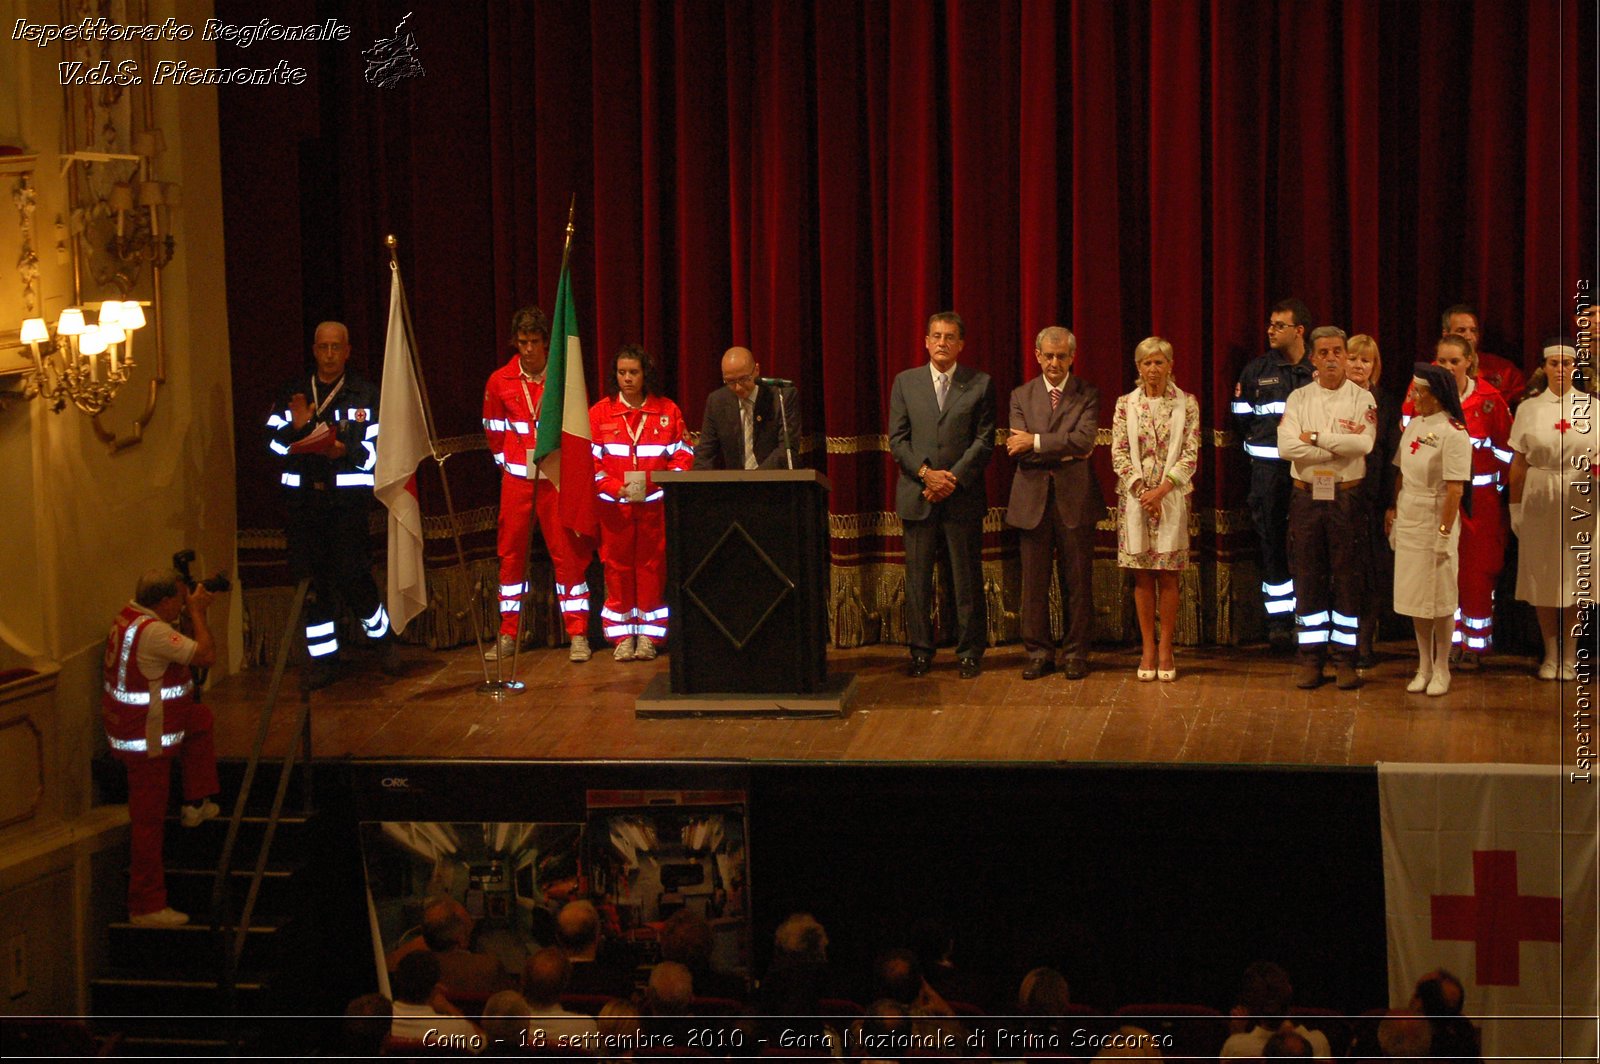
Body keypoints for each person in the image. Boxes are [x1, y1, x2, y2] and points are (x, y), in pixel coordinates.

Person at [266, 321, 399, 689]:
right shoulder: (294, 391)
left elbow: (376, 451)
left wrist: (344, 450)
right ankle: (325, 659)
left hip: (345, 504)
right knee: (314, 586)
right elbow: (273, 446)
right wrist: (296, 430)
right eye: (322, 348)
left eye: (335, 348)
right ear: (314, 350)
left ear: (347, 351)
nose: (328, 355)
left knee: (354, 576)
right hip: (304, 504)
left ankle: (383, 641)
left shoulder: (364, 395)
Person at [103, 568, 224, 926]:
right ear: (165, 600)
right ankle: (146, 905)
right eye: (181, 598)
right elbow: (204, 655)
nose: (183, 604)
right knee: (148, 823)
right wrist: (199, 615)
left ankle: (196, 802)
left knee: (200, 719)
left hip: (142, 725)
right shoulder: (153, 632)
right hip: (148, 739)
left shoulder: (129, 617)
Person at [482, 306, 596, 663]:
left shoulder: (562, 379)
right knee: (511, 556)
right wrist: (510, 467)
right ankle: (508, 631)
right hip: (517, 481)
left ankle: (578, 633)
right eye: (522, 342)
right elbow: (494, 432)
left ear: (547, 343)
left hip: (554, 479)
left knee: (566, 555)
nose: (528, 349)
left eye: (534, 342)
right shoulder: (499, 381)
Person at [889, 312, 997, 679]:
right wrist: (926, 475)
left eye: (950, 337)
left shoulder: (979, 384)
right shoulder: (905, 382)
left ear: (961, 344)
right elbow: (897, 440)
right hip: (917, 495)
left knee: (965, 578)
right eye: (936, 336)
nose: (942, 343)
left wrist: (951, 479)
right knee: (918, 581)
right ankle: (920, 651)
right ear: (925, 341)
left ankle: (969, 652)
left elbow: (985, 440)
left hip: (960, 496)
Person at [1277, 327, 1377, 690]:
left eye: (1339, 351)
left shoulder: (1362, 399)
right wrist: (1336, 448)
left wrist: (1316, 438)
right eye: (1325, 352)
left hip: (1346, 498)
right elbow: (1287, 448)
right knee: (1307, 576)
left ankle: (1346, 659)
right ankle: (1311, 658)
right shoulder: (1299, 398)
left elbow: (1364, 443)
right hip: (1306, 496)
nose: (1333, 358)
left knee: (1348, 577)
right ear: (1314, 359)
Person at [1404, 335, 1512, 667]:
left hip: (1480, 505)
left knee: (1476, 574)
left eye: (1455, 361)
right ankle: (1447, 644)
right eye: (1443, 362)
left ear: (1470, 362)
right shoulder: (1420, 397)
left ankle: (1475, 645)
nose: (1449, 368)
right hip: (1436, 500)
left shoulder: (1490, 400)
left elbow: (1508, 454)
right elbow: (1410, 444)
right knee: (1440, 570)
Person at [1005, 326, 1102, 680]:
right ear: (1037, 355)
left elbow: (1084, 440)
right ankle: (1038, 653)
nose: (1054, 362)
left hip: (1075, 499)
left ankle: (1076, 653)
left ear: (1072, 357)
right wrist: (1056, 448)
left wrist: (1037, 442)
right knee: (1033, 583)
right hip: (1031, 499)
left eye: (1062, 356)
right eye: (1048, 356)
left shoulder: (1087, 393)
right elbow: (1017, 450)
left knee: (1077, 581)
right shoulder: (1021, 395)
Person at [589, 345, 694, 661]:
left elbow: (684, 455)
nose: (627, 378)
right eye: (622, 373)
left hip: (653, 507)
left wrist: (664, 482)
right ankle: (621, 638)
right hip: (614, 507)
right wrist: (613, 487)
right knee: (617, 570)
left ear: (645, 373)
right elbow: (590, 464)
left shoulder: (667, 411)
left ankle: (649, 638)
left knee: (651, 570)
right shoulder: (599, 413)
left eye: (633, 372)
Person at [1111, 337, 1201, 682]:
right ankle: (1147, 647)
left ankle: (1166, 648)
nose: (1153, 369)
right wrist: (1141, 491)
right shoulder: (1126, 404)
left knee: (1168, 574)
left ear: (1170, 365)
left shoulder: (1186, 404)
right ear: (1138, 367)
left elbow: (1189, 453)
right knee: (1143, 574)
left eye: (1159, 362)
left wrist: (1162, 491)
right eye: (1147, 363)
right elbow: (1119, 453)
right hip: (1135, 499)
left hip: (1172, 497)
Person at [1509, 341, 1596, 680]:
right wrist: (1514, 507)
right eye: (1553, 363)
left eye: (1566, 363)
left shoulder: (1592, 406)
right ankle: (1550, 653)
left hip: (1581, 495)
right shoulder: (1528, 409)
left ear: (1575, 367)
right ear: (1544, 367)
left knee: (1577, 574)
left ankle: (1572, 655)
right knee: (1544, 573)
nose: (1560, 369)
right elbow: (1518, 462)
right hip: (1540, 493)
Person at [1233, 298, 1316, 646]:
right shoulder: (1256, 371)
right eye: (1270, 324)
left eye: (1279, 325)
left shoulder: (1317, 370)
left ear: (1299, 331)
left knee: (1311, 545)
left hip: (1311, 475)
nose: (1270, 330)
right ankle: (1279, 623)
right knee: (1271, 545)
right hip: (1268, 474)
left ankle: (1309, 616)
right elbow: (1241, 418)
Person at [1388, 364, 1471, 696]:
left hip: (1437, 513)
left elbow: (1455, 490)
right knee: (1415, 597)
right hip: (1410, 512)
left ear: (1436, 395)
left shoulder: (1454, 433)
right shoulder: (1414, 425)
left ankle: (1442, 668)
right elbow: (1400, 472)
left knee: (1439, 598)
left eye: (1418, 392)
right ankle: (1423, 665)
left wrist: (1443, 532)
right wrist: (1395, 512)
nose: (1414, 397)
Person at [1345, 335, 1402, 668]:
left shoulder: (1387, 404)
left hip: (1374, 503)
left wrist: (1392, 505)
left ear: (1374, 366)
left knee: (1369, 576)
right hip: (1338, 499)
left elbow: (1395, 459)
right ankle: (1340, 644)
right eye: (1353, 358)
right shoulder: (1332, 400)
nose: (1358, 365)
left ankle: (1364, 644)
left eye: (1365, 360)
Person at [691, 346, 801, 470]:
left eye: (743, 379)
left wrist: (755, 480)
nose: (738, 387)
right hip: (736, 485)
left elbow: (786, 451)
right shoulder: (717, 401)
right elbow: (705, 454)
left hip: (773, 481)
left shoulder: (781, 397)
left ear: (757, 370)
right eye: (730, 381)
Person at [1220, 961, 1332, 1060]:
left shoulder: (1236, 1048)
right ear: (1289, 991)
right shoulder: (1318, 1042)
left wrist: (1236, 1036)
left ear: (1251, 1003)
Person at [1442, 303, 1526, 410]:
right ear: (1446, 335)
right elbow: (1412, 415)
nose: (1469, 337)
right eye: (1461, 330)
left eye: (1473, 330)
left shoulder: (1504, 370)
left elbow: (1528, 404)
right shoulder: (1430, 375)